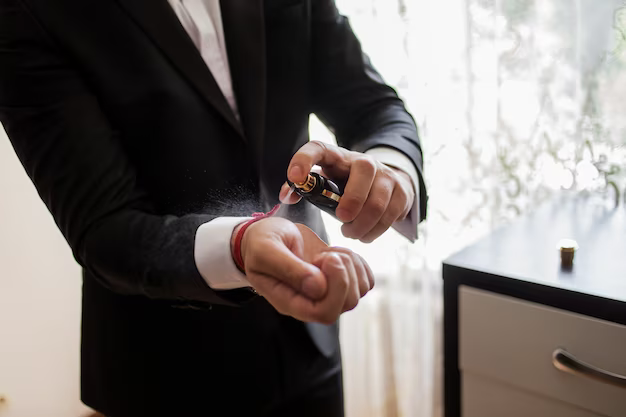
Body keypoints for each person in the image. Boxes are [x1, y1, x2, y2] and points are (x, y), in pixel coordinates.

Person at [0, 0, 427, 416]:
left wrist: (392, 168)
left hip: (310, 342)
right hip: (165, 373)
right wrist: (239, 244)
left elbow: (375, 108)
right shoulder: (28, 11)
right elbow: (105, 226)